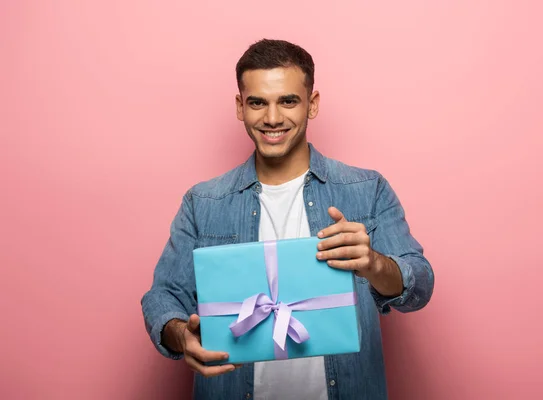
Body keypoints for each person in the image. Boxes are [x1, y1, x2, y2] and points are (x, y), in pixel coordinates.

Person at [141, 38, 434, 400]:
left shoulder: (367, 189)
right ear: (240, 106)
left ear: (312, 105)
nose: (273, 118)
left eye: (288, 101)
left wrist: (374, 264)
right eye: (257, 103)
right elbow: (162, 297)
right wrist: (180, 334)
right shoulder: (203, 202)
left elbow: (419, 286)